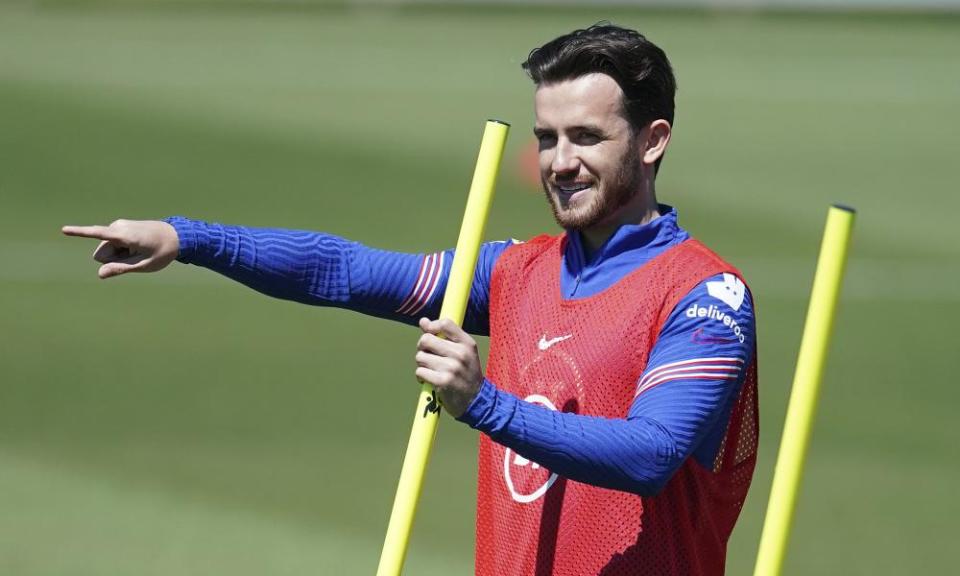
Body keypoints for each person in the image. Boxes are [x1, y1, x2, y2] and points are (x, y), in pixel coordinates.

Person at [63, 24, 758, 576]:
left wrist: (482, 402)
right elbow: (345, 271)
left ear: (652, 141)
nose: (559, 162)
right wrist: (188, 237)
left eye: (586, 137)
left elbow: (650, 454)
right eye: (546, 138)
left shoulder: (704, 296)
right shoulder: (517, 272)